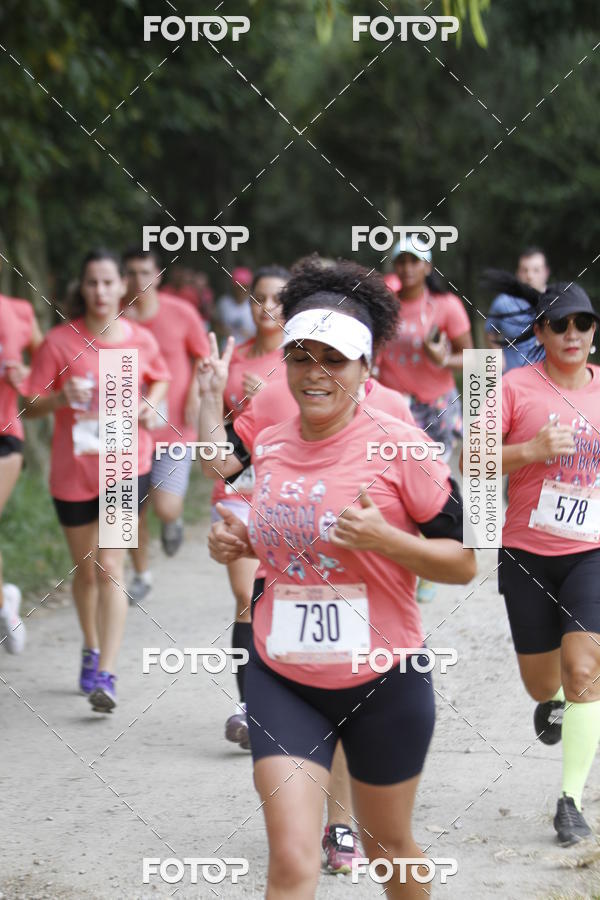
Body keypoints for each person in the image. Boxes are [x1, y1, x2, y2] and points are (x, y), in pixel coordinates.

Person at [207, 257, 476, 897]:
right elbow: (276, 538)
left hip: (385, 677)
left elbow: (464, 561)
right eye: (301, 356)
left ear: (366, 367)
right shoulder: (270, 443)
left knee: (389, 850)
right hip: (283, 675)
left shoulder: (402, 446)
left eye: (335, 358)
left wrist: (385, 540)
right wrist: (240, 539)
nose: (315, 372)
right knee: (293, 861)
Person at [24, 249, 170, 712]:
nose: (101, 292)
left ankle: (106, 674)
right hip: (74, 473)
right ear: (82, 288)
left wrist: (151, 405)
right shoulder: (59, 342)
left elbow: (161, 378)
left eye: (109, 283)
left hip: (125, 466)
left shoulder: (141, 340)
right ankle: (89, 647)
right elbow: (31, 403)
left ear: (123, 286)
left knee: (111, 565)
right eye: (92, 283)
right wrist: (60, 397)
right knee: (84, 572)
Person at [495, 273, 600, 846]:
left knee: (585, 668)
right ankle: (553, 700)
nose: (572, 333)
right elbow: (474, 458)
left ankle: (571, 802)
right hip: (528, 551)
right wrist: (531, 451)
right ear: (540, 332)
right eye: (559, 324)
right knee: (544, 683)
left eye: (583, 323)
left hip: (593, 552)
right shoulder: (515, 387)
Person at [122, 247, 210, 602]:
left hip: (174, 427)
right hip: (126, 431)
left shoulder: (181, 312)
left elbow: (203, 353)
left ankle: (172, 522)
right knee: (130, 509)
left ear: (158, 276)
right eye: (130, 273)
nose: (137, 281)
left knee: (165, 506)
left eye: (145, 272)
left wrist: (193, 393)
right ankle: (142, 574)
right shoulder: (115, 318)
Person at [0, 289, 43, 652]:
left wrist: (26, 377)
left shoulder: (18, 313)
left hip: (4, 435)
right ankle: (4, 601)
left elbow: (48, 376)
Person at [485, 247, 550, 370]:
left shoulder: (556, 302)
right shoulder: (502, 302)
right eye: (524, 270)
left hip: (546, 379)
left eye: (536, 270)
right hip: (511, 376)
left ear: (546, 272)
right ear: (517, 273)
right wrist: (496, 354)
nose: (529, 276)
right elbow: (490, 330)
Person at [213, 266, 255, 347]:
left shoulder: (255, 304)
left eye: (244, 286)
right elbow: (215, 324)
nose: (242, 290)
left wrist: (250, 335)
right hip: (226, 349)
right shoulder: (224, 303)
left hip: (248, 350)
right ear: (233, 286)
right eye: (238, 286)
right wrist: (223, 331)